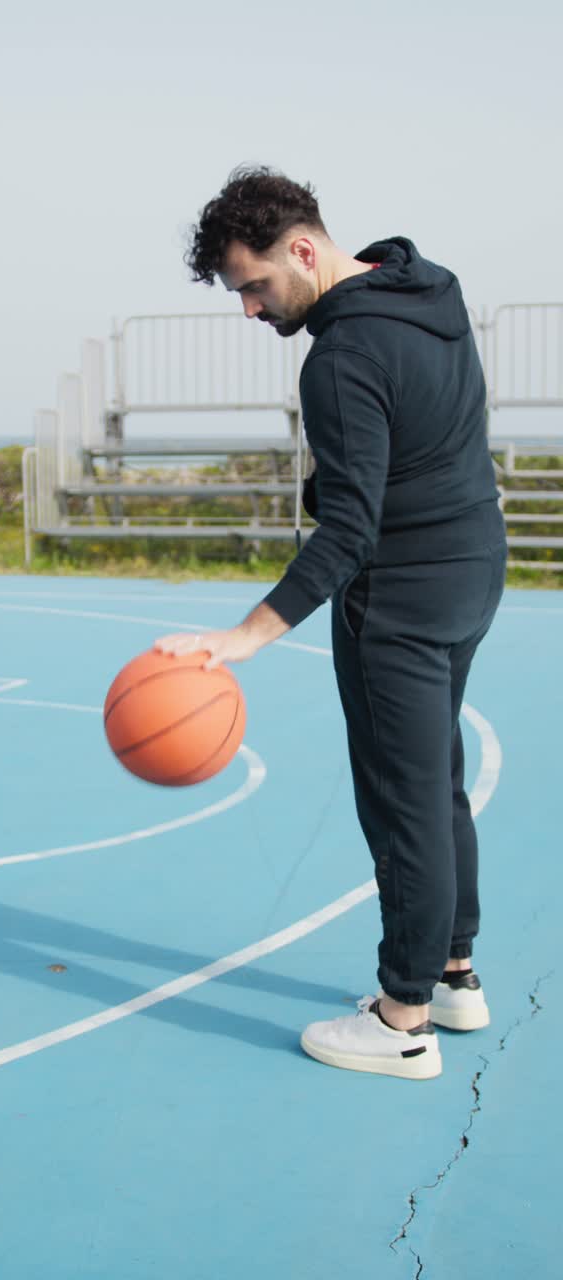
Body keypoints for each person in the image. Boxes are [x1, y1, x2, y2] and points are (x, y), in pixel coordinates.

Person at [155, 167, 507, 1081]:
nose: (251, 310)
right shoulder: (431, 290)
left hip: (403, 596)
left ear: (303, 251)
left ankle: (403, 1018)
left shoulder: (342, 360)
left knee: (403, 801)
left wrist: (244, 636)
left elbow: (350, 529)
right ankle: (455, 973)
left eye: (255, 286)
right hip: (473, 571)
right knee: (438, 782)